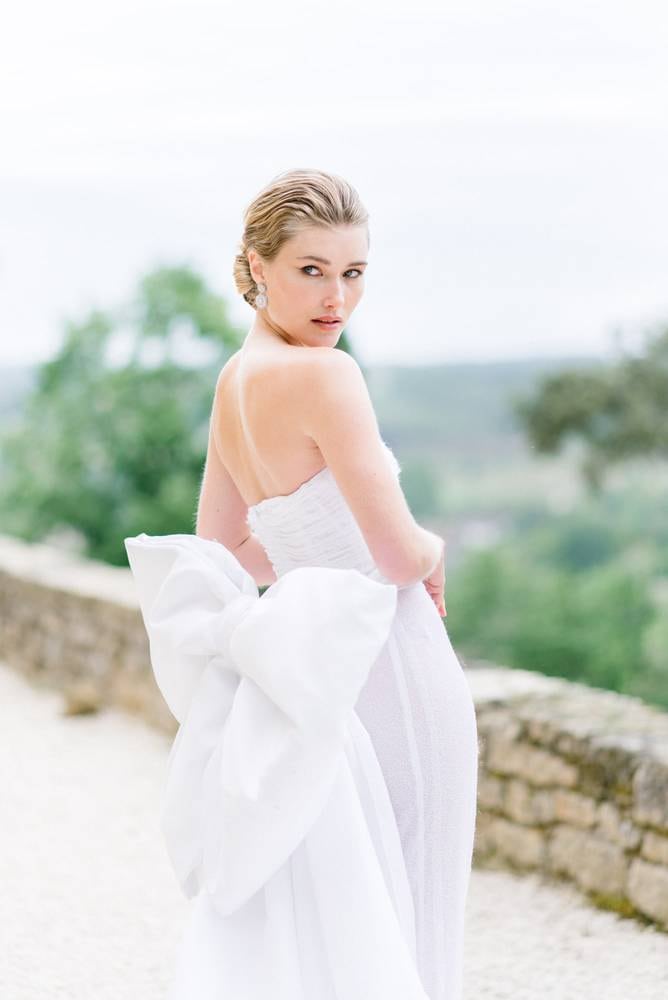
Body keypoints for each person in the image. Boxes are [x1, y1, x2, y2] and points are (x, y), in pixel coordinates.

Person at [125, 168, 479, 1000]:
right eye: (311, 270)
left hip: (311, 683)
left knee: (352, 917)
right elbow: (397, 559)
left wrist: (315, 554)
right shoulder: (330, 376)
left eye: (353, 273)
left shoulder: (234, 383)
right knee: (419, 910)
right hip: (392, 666)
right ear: (256, 266)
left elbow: (226, 551)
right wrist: (431, 547)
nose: (337, 300)